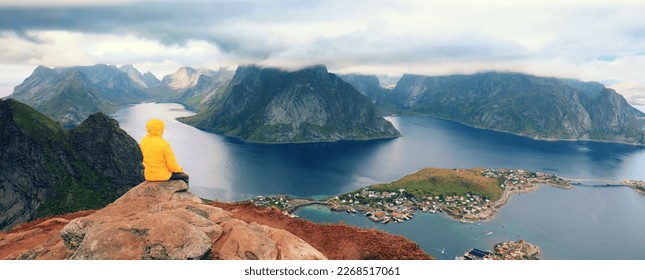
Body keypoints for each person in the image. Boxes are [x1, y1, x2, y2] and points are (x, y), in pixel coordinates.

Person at [139, 118, 189, 185]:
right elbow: (172, 166)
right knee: (185, 177)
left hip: (149, 175)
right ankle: (184, 193)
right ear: (160, 130)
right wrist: (180, 170)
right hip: (162, 176)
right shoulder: (164, 143)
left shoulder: (143, 141)